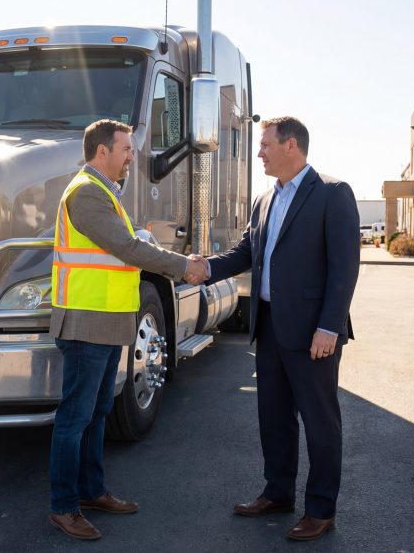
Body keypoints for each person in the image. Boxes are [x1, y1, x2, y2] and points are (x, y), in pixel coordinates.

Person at [190, 116, 359, 541]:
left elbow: (344, 268)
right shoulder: (264, 200)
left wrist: (329, 327)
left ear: (291, 146)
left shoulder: (333, 193)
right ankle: (277, 492)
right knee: (275, 419)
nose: (259, 152)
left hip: (313, 334)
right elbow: (246, 251)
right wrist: (205, 268)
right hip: (269, 328)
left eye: (264, 144)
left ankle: (321, 510)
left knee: (321, 423)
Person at [49, 119, 207, 541]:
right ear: (102, 151)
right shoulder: (86, 194)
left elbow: (129, 240)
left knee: (97, 413)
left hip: (104, 322)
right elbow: (127, 247)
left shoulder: (105, 193)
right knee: (75, 418)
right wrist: (182, 267)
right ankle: (64, 506)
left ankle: (92, 491)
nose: (132, 157)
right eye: (126, 149)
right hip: (84, 322)